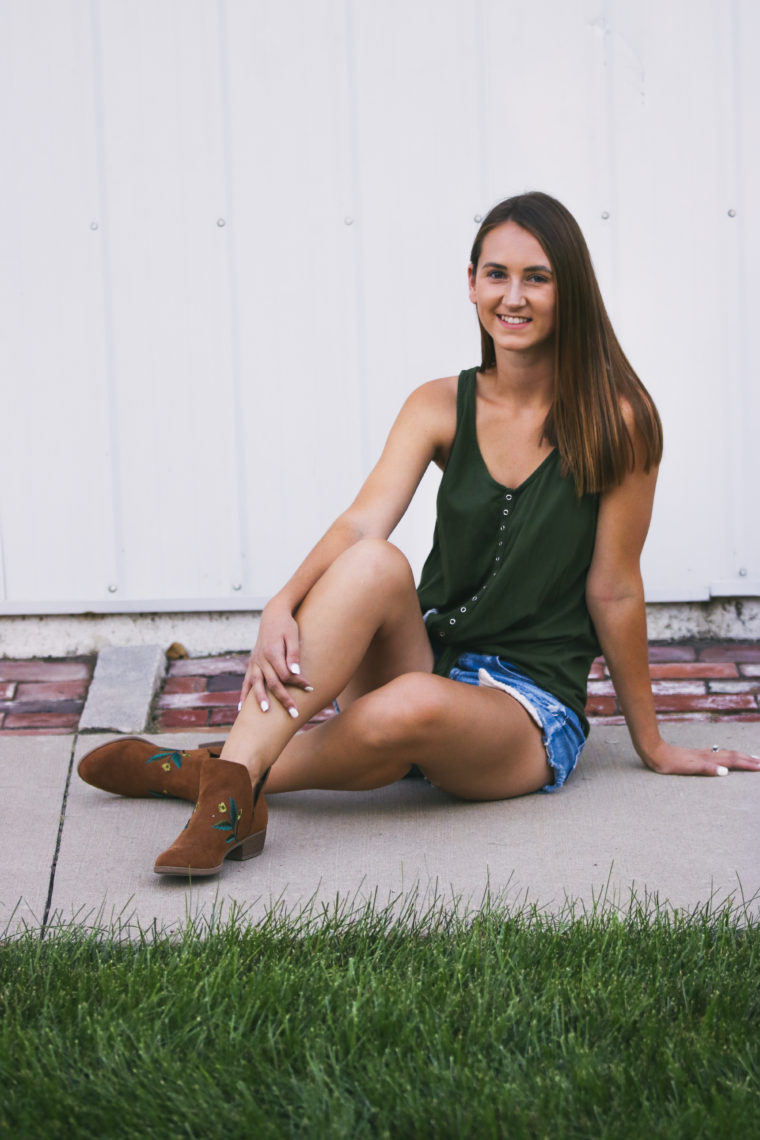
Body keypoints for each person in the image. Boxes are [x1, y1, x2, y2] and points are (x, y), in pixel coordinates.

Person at [79, 191, 760, 876]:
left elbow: (613, 589)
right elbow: (360, 523)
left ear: (570, 290)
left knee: (410, 704)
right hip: (426, 657)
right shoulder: (440, 404)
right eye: (496, 274)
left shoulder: (621, 420)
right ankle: (230, 793)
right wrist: (280, 603)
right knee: (374, 561)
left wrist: (654, 743)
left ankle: (208, 775)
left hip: (525, 713)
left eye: (538, 277)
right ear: (471, 284)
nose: (513, 297)